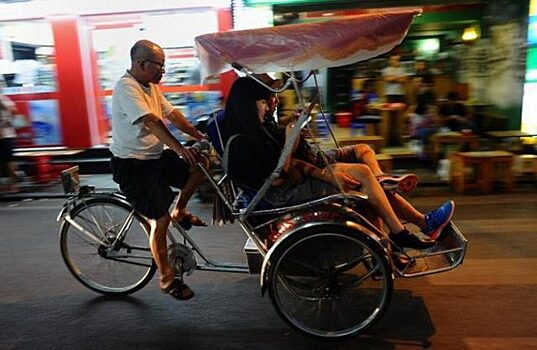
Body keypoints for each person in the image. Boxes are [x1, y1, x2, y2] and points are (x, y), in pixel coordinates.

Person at [221, 77, 453, 252]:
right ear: (246, 104)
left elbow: (292, 165)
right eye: (262, 100)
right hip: (281, 195)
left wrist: (295, 137)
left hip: (296, 179)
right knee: (365, 177)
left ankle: (413, 225)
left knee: (369, 180)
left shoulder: (259, 129)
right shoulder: (241, 143)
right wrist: (292, 142)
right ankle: (402, 232)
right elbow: (280, 176)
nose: (268, 105)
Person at [110, 40, 208, 301]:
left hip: (154, 158)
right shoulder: (126, 87)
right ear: (141, 64)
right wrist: (179, 148)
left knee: (199, 167)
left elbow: (172, 114)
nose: (162, 71)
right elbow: (152, 122)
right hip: (133, 165)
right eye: (159, 65)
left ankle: (182, 209)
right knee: (160, 220)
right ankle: (166, 279)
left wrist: (197, 135)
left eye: (164, 66)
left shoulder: (151, 86)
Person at [0, 93, 18, 194]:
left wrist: (7, 119)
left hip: (6, 134)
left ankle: (12, 184)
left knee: (9, 159)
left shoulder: (2, 98)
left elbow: (14, 110)